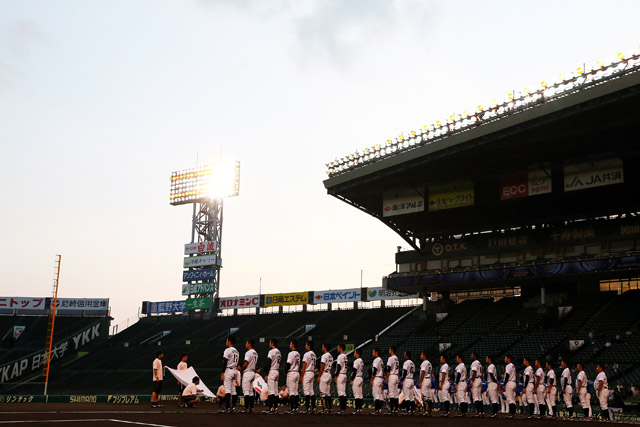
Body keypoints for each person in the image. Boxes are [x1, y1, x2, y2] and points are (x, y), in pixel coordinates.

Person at [221, 336, 240, 413]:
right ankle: (233, 407)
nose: (226, 342)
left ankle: (227, 408)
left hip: (229, 370)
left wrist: (222, 373)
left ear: (229, 341)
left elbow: (225, 361)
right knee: (233, 390)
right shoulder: (236, 351)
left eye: (226, 340)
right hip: (235, 370)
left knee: (228, 390)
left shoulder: (227, 350)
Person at [239, 339, 258, 413]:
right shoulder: (255, 353)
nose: (246, 344)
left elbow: (246, 363)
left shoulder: (248, 352)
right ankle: (251, 408)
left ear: (249, 344)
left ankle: (246, 408)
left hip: (248, 372)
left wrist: (241, 369)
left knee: (246, 391)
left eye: (246, 343)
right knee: (251, 392)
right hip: (253, 372)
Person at [264, 338, 281, 414]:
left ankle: (270, 408)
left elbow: (268, 363)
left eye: (270, 342)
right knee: (276, 391)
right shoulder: (279, 352)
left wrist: (266, 374)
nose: (269, 344)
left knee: (271, 391)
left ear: (272, 343)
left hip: (272, 371)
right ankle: (276, 408)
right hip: (277, 371)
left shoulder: (271, 351)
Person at [300, 340, 317, 414]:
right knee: (311, 391)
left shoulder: (306, 354)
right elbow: (315, 365)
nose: (305, 346)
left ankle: (307, 409)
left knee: (306, 391)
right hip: (312, 372)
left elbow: (304, 365)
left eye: (306, 345)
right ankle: (314, 408)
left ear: (309, 346)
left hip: (307, 373)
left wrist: (302, 376)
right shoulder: (314, 354)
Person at [285, 340, 301, 414]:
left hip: (291, 373)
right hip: (297, 372)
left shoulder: (291, 353)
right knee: (295, 392)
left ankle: (292, 409)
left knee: (291, 392)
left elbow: (288, 364)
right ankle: (296, 408)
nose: (289, 345)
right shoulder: (298, 353)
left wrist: (285, 371)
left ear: (293, 345)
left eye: (290, 344)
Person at [317, 342, 333, 414]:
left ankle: (325, 409)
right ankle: (330, 408)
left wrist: (319, 376)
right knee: (328, 393)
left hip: (324, 374)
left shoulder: (324, 356)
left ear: (325, 347)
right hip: (329, 373)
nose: (322, 347)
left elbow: (322, 366)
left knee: (322, 393)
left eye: (323, 346)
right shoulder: (331, 356)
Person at [386, 345, 400, 415]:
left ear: (391, 350)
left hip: (392, 375)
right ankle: (396, 409)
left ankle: (391, 410)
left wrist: (386, 377)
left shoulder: (391, 358)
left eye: (389, 349)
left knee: (391, 394)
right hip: (396, 376)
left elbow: (388, 368)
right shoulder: (397, 358)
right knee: (396, 394)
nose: (389, 350)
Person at [334, 343, 348, 414]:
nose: (337, 348)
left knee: (341, 393)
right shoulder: (345, 356)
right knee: (343, 392)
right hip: (344, 374)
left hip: (340, 375)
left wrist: (336, 376)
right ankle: (344, 409)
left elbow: (339, 366)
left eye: (338, 347)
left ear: (341, 348)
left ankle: (342, 409)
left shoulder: (340, 356)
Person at [419, 350, 433, 416]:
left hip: (425, 379)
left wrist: (421, 381)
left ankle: (426, 411)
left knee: (424, 396)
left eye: (421, 354)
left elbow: (423, 372)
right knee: (428, 397)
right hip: (429, 379)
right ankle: (429, 410)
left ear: (424, 355)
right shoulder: (429, 363)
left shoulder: (424, 363)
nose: (420, 356)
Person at [350, 348, 364, 414]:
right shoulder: (361, 360)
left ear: (357, 353)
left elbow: (354, 371)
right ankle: (360, 409)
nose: (354, 353)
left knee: (356, 395)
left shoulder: (356, 361)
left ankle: (357, 409)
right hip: (360, 377)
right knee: (360, 395)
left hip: (356, 378)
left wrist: (351, 380)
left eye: (355, 352)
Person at [371, 348, 384, 415]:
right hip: (381, 378)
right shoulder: (381, 359)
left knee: (376, 394)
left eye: (373, 351)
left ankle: (376, 410)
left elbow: (374, 369)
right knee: (379, 395)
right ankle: (379, 409)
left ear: (376, 352)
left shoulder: (376, 360)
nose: (372, 353)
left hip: (377, 377)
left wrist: (372, 379)